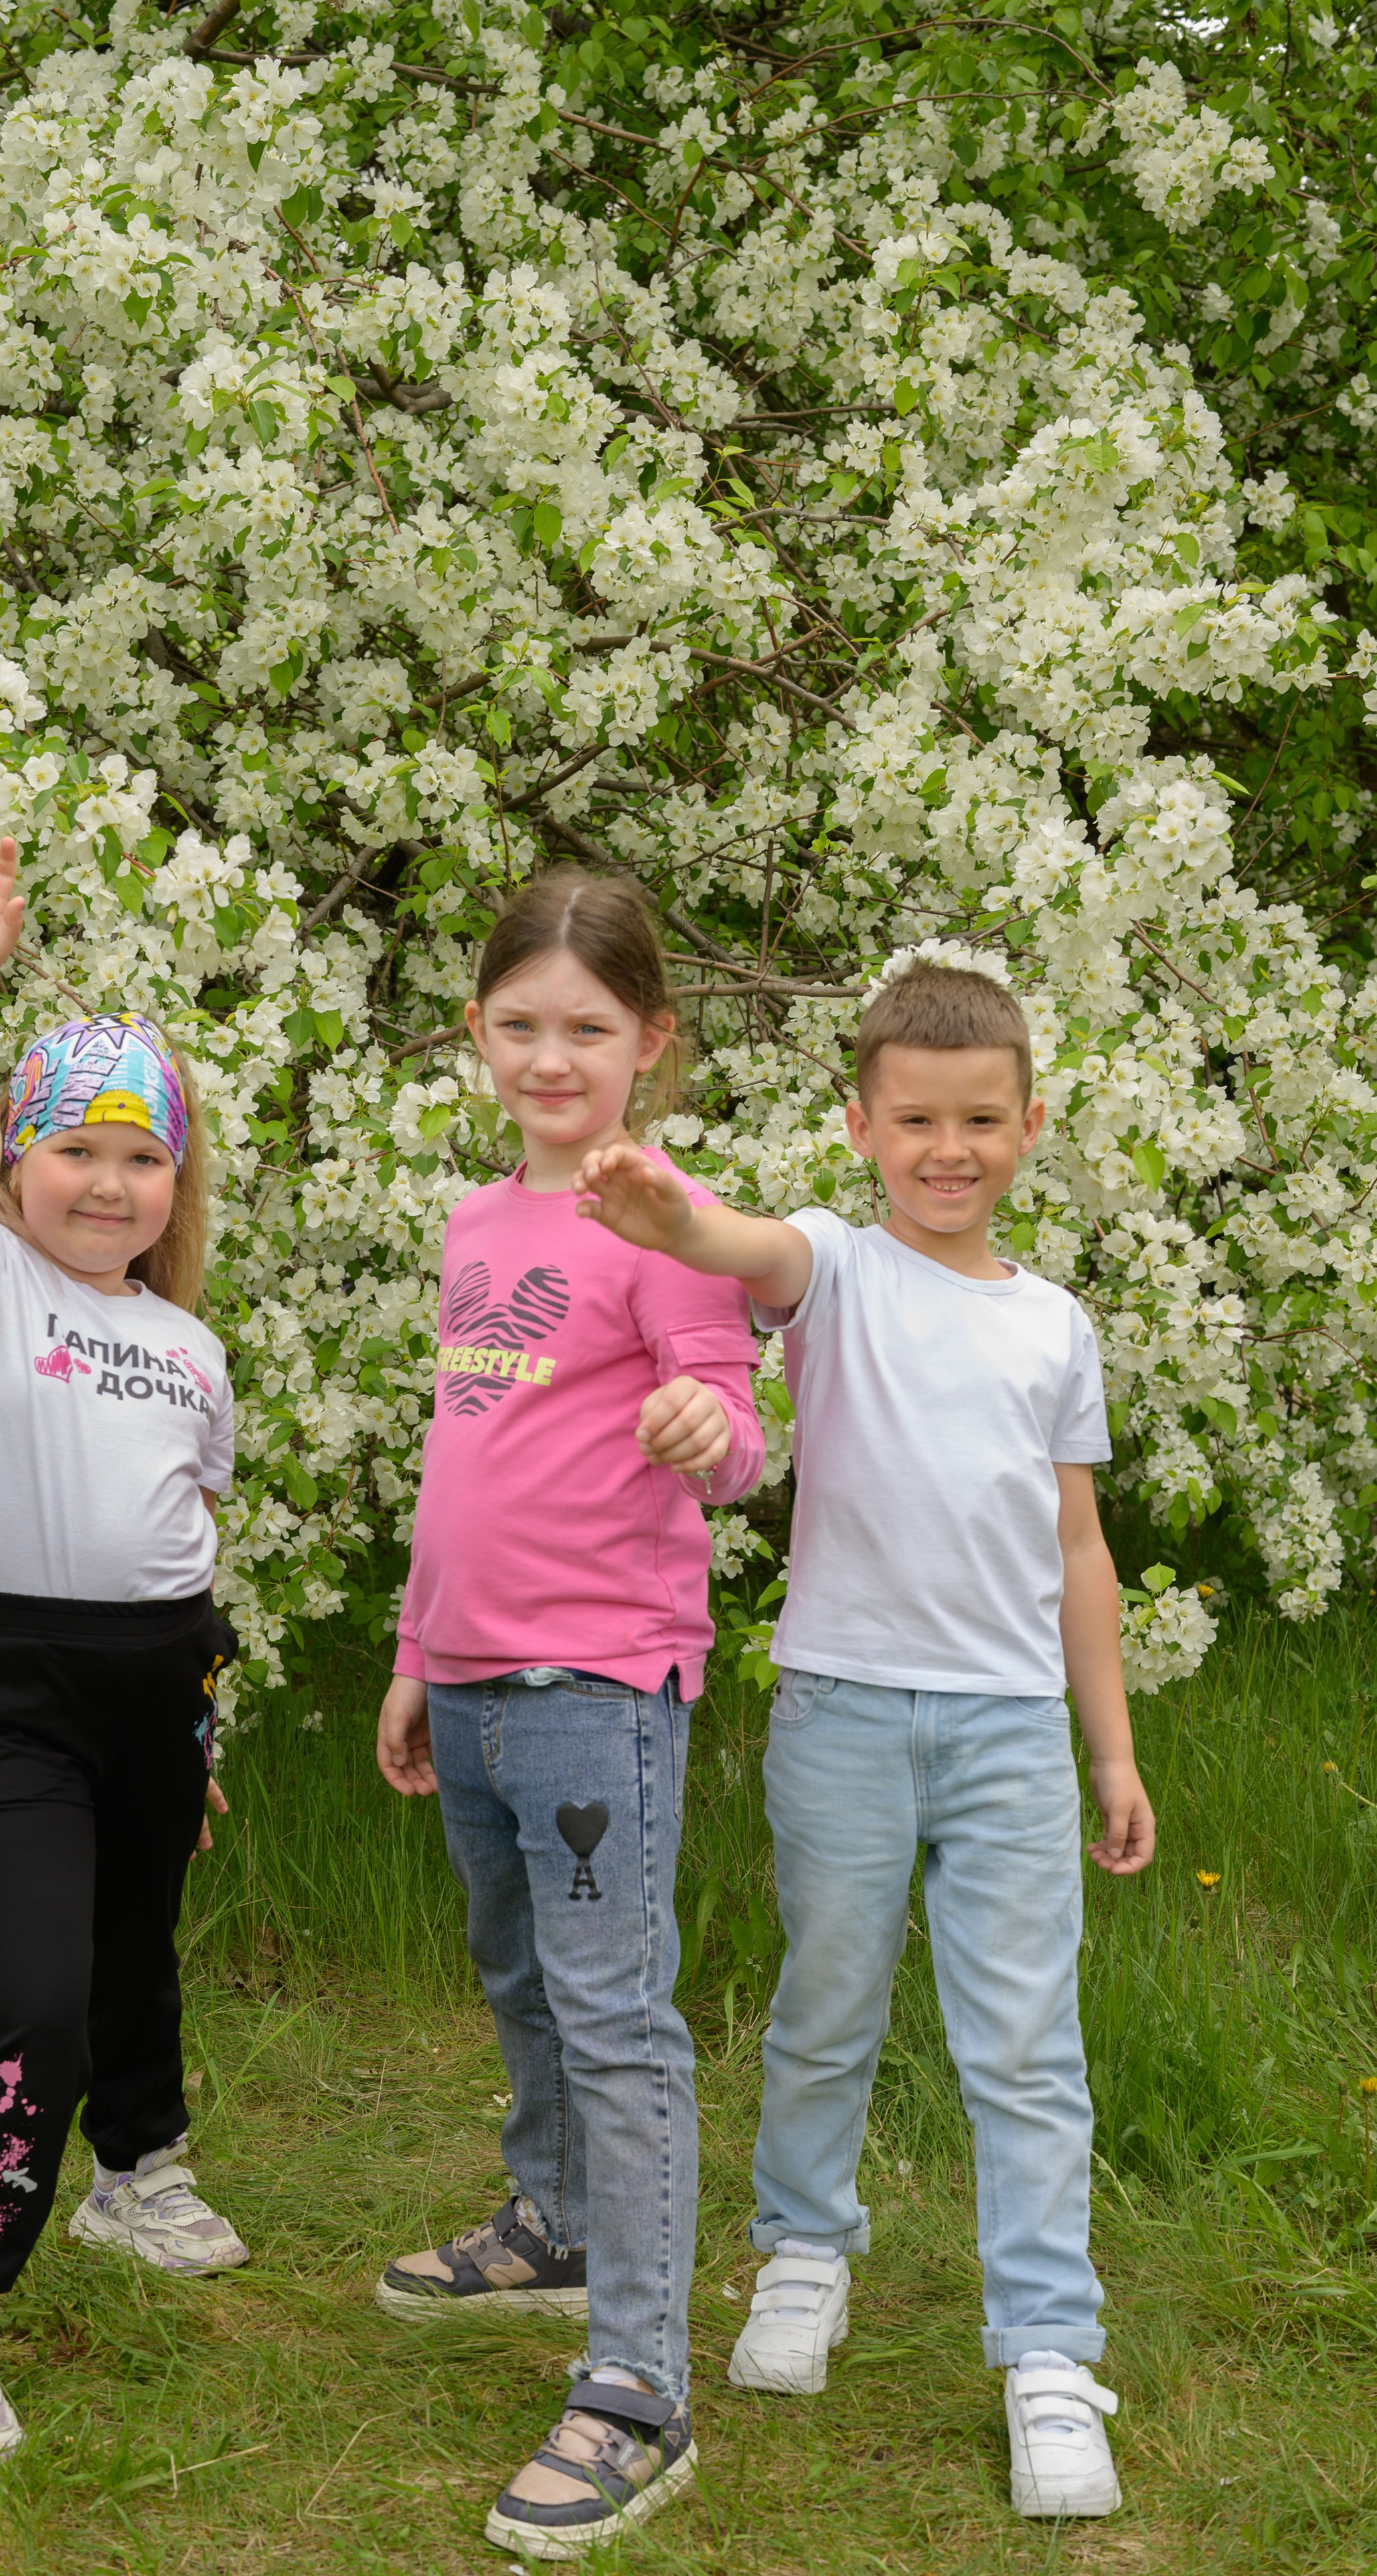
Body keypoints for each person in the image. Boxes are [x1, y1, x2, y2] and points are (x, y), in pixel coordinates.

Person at [572, 953, 1156, 2521]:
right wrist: (657, 1207)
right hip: (838, 1709)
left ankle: (1046, 2349)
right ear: (861, 1123)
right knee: (825, 2003)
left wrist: (1108, 1749)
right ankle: (802, 2251)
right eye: (914, 1121)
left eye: (977, 1120)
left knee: (1024, 2047)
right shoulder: (829, 1263)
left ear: (1028, 1125)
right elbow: (729, 1238)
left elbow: (1077, 1549)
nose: (945, 1150)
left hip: (1010, 1731)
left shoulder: (1052, 1325)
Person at [374, 870, 765, 2559]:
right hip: (466, 1672)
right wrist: (411, 1647)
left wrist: (700, 1419)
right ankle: (553, 2218)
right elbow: (459, 1451)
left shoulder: (658, 1213)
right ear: (478, 1034)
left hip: (597, 1677)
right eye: (519, 1025)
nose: (551, 1057)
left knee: (614, 2016)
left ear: (649, 1042)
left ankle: (638, 2388)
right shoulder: (473, 1224)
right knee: (515, 1970)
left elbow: (743, 1428)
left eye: (586, 1030)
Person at [0, 814, 247, 2466]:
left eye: (141, 1154)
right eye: (75, 1148)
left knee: (132, 1950)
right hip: (9, 1691)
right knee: (34, 2002)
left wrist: (200, 1726)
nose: (108, 1182)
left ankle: (137, 2170)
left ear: (176, 1178)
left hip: (157, 1685)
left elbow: (188, 1539)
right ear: (23, 1158)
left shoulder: (188, 1340)